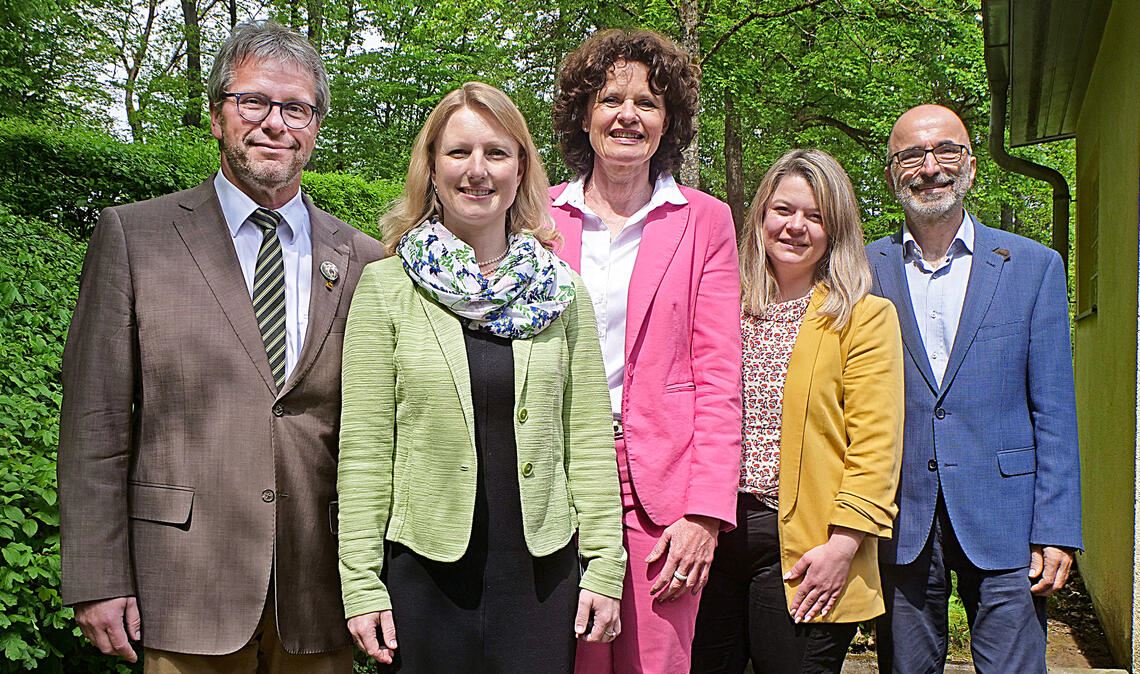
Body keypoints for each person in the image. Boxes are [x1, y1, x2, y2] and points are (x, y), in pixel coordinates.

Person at [57, 20, 383, 672]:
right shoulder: (136, 238)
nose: (274, 123)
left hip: (317, 593)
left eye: (296, 108)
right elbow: (94, 423)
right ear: (216, 116)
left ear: (316, 127)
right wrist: (96, 574)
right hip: (183, 585)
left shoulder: (364, 259)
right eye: (253, 102)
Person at [337, 81, 626, 673]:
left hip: (542, 576)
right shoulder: (387, 288)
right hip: (425, 573)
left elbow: (589, 442)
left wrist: (605, 567)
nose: (478, 170)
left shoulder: (560, 289)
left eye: (496, 153)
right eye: (459, 152)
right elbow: (365, 451)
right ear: (432, 168)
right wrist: (361, 583)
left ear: (520, 170)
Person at [550, 29, 743, 673]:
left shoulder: (705, 221)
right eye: (610, 99)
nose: (627, 115)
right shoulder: (539, 217)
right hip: (557, 480)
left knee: (655, 664)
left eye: (648, 102)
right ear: (585, 113)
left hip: (663, 495)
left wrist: (706, 513)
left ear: (668, 122)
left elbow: (719, 376)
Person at [868, 104, 1082, 673]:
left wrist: (1057, 529)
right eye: (911, 156)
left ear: (970, 166)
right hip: (900, 517)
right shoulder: (862, 270)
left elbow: (1055, 408)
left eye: (946, 151)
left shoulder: (1033, 266)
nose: (930, 167)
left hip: (1008, 518)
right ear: (892, 175)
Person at [690, 149, 904, 674]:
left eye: (815, 216)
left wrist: (844, 547)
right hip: (709, 538)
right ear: (761, 215)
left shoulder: (863, 318)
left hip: (806, 547)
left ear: (836, 230)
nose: (796, 226)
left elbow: (876, 448)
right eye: (784, 210)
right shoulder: (721, 306)